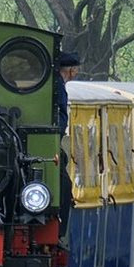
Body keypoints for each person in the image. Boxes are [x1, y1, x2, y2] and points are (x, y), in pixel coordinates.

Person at [55, 51, 80, 239]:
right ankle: (59, 233)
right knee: (64, 184)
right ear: (71, 70)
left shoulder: (52, 84)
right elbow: (60, 117)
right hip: (50, 141)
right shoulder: (57, 86)